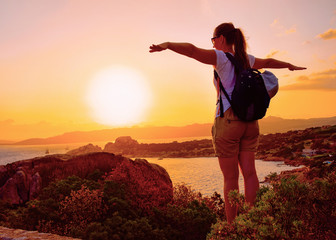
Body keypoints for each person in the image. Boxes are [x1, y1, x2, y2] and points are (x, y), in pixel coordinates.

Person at [149, 22, 306, 224]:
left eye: (213, 40)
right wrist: (288, 65)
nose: (213, 44)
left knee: (230, 179)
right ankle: (254, 221)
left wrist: (168, 44)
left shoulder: (221, 58)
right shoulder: (246, 59)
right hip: (250, 122)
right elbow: (268, 60)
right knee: (250, 174)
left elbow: (192, 51)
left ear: (222, 38)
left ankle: (233, 228)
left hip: (229, 120)